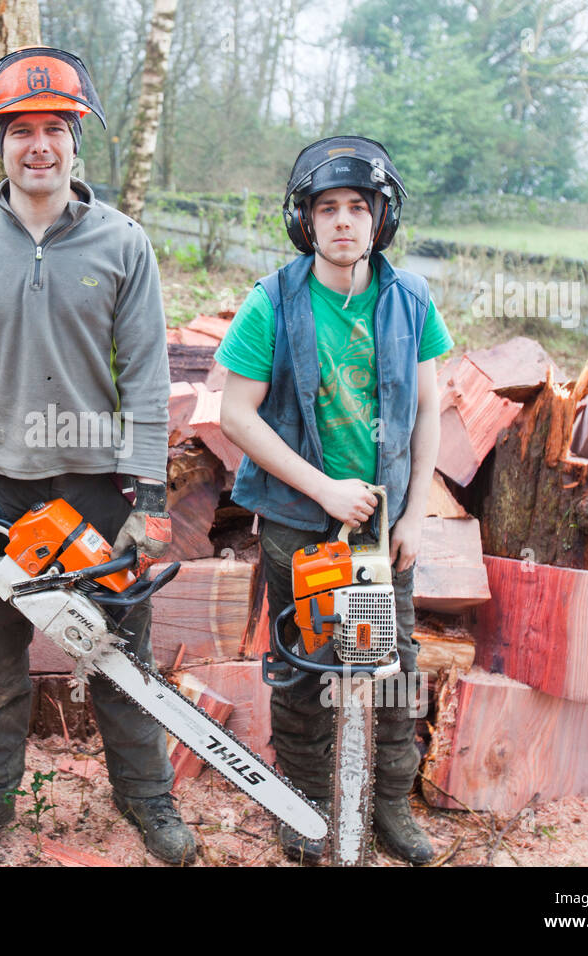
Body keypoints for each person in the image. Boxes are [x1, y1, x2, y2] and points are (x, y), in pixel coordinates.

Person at [0, 47, 195, 864]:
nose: (37, 146)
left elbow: (147, 377)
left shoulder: (123, 243)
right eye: (20, 131)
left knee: (119, 658)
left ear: (78, 138)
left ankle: (148, 803)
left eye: (54, 129)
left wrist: (150, 501)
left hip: (98, 485)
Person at [215, 135, 452, 865]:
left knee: (389, 666)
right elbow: (235, 413)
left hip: (380, 531)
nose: (344, 221)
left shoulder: (412, 300)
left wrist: (413, 514)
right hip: (297, 522)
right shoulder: (273, 302)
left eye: (359, 207)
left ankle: (390, 809)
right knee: (304, 667)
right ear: (304, 221)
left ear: (382, 219)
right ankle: (306, 803)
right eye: (328, 209)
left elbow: (429, 411)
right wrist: (321, 487)